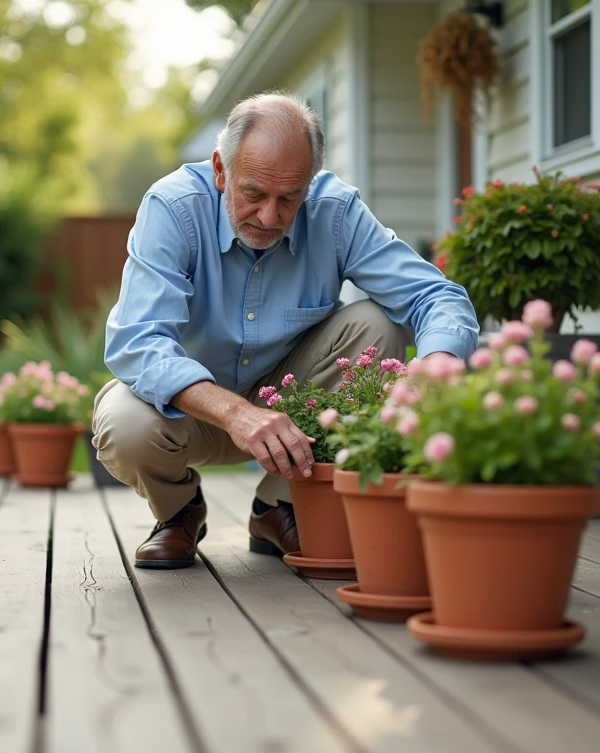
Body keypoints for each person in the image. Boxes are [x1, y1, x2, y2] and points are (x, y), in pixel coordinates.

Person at [93, 91, 478, 570]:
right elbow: (138, 341)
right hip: (189, 414)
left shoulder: (336, 212)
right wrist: (236, 414)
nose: (270, 217)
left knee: (380, 322)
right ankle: (178, 512)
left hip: (293, 409)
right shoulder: (173, 208)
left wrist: (437, 364)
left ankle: (279, 506)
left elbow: (437, 296)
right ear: (220, 169)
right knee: (122, 424)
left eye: (290, 197)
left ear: (309, 183)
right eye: (253, 193)